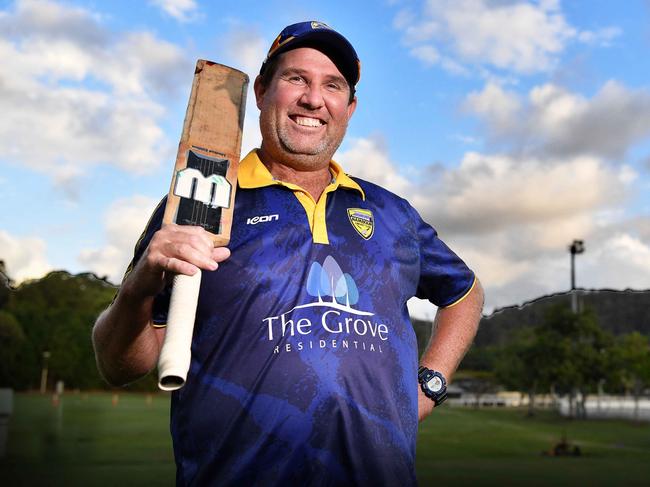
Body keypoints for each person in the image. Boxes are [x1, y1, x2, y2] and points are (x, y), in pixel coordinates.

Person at [93, 20, 484, 486]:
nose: (313, 99)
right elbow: (121, 366)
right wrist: (140, 285)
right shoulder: (203, 201)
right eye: (296, 78)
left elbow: (465, 292)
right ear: (260, 91)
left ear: (350, 107)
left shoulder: (391, 213)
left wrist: (429, 385)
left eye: (332, 86)